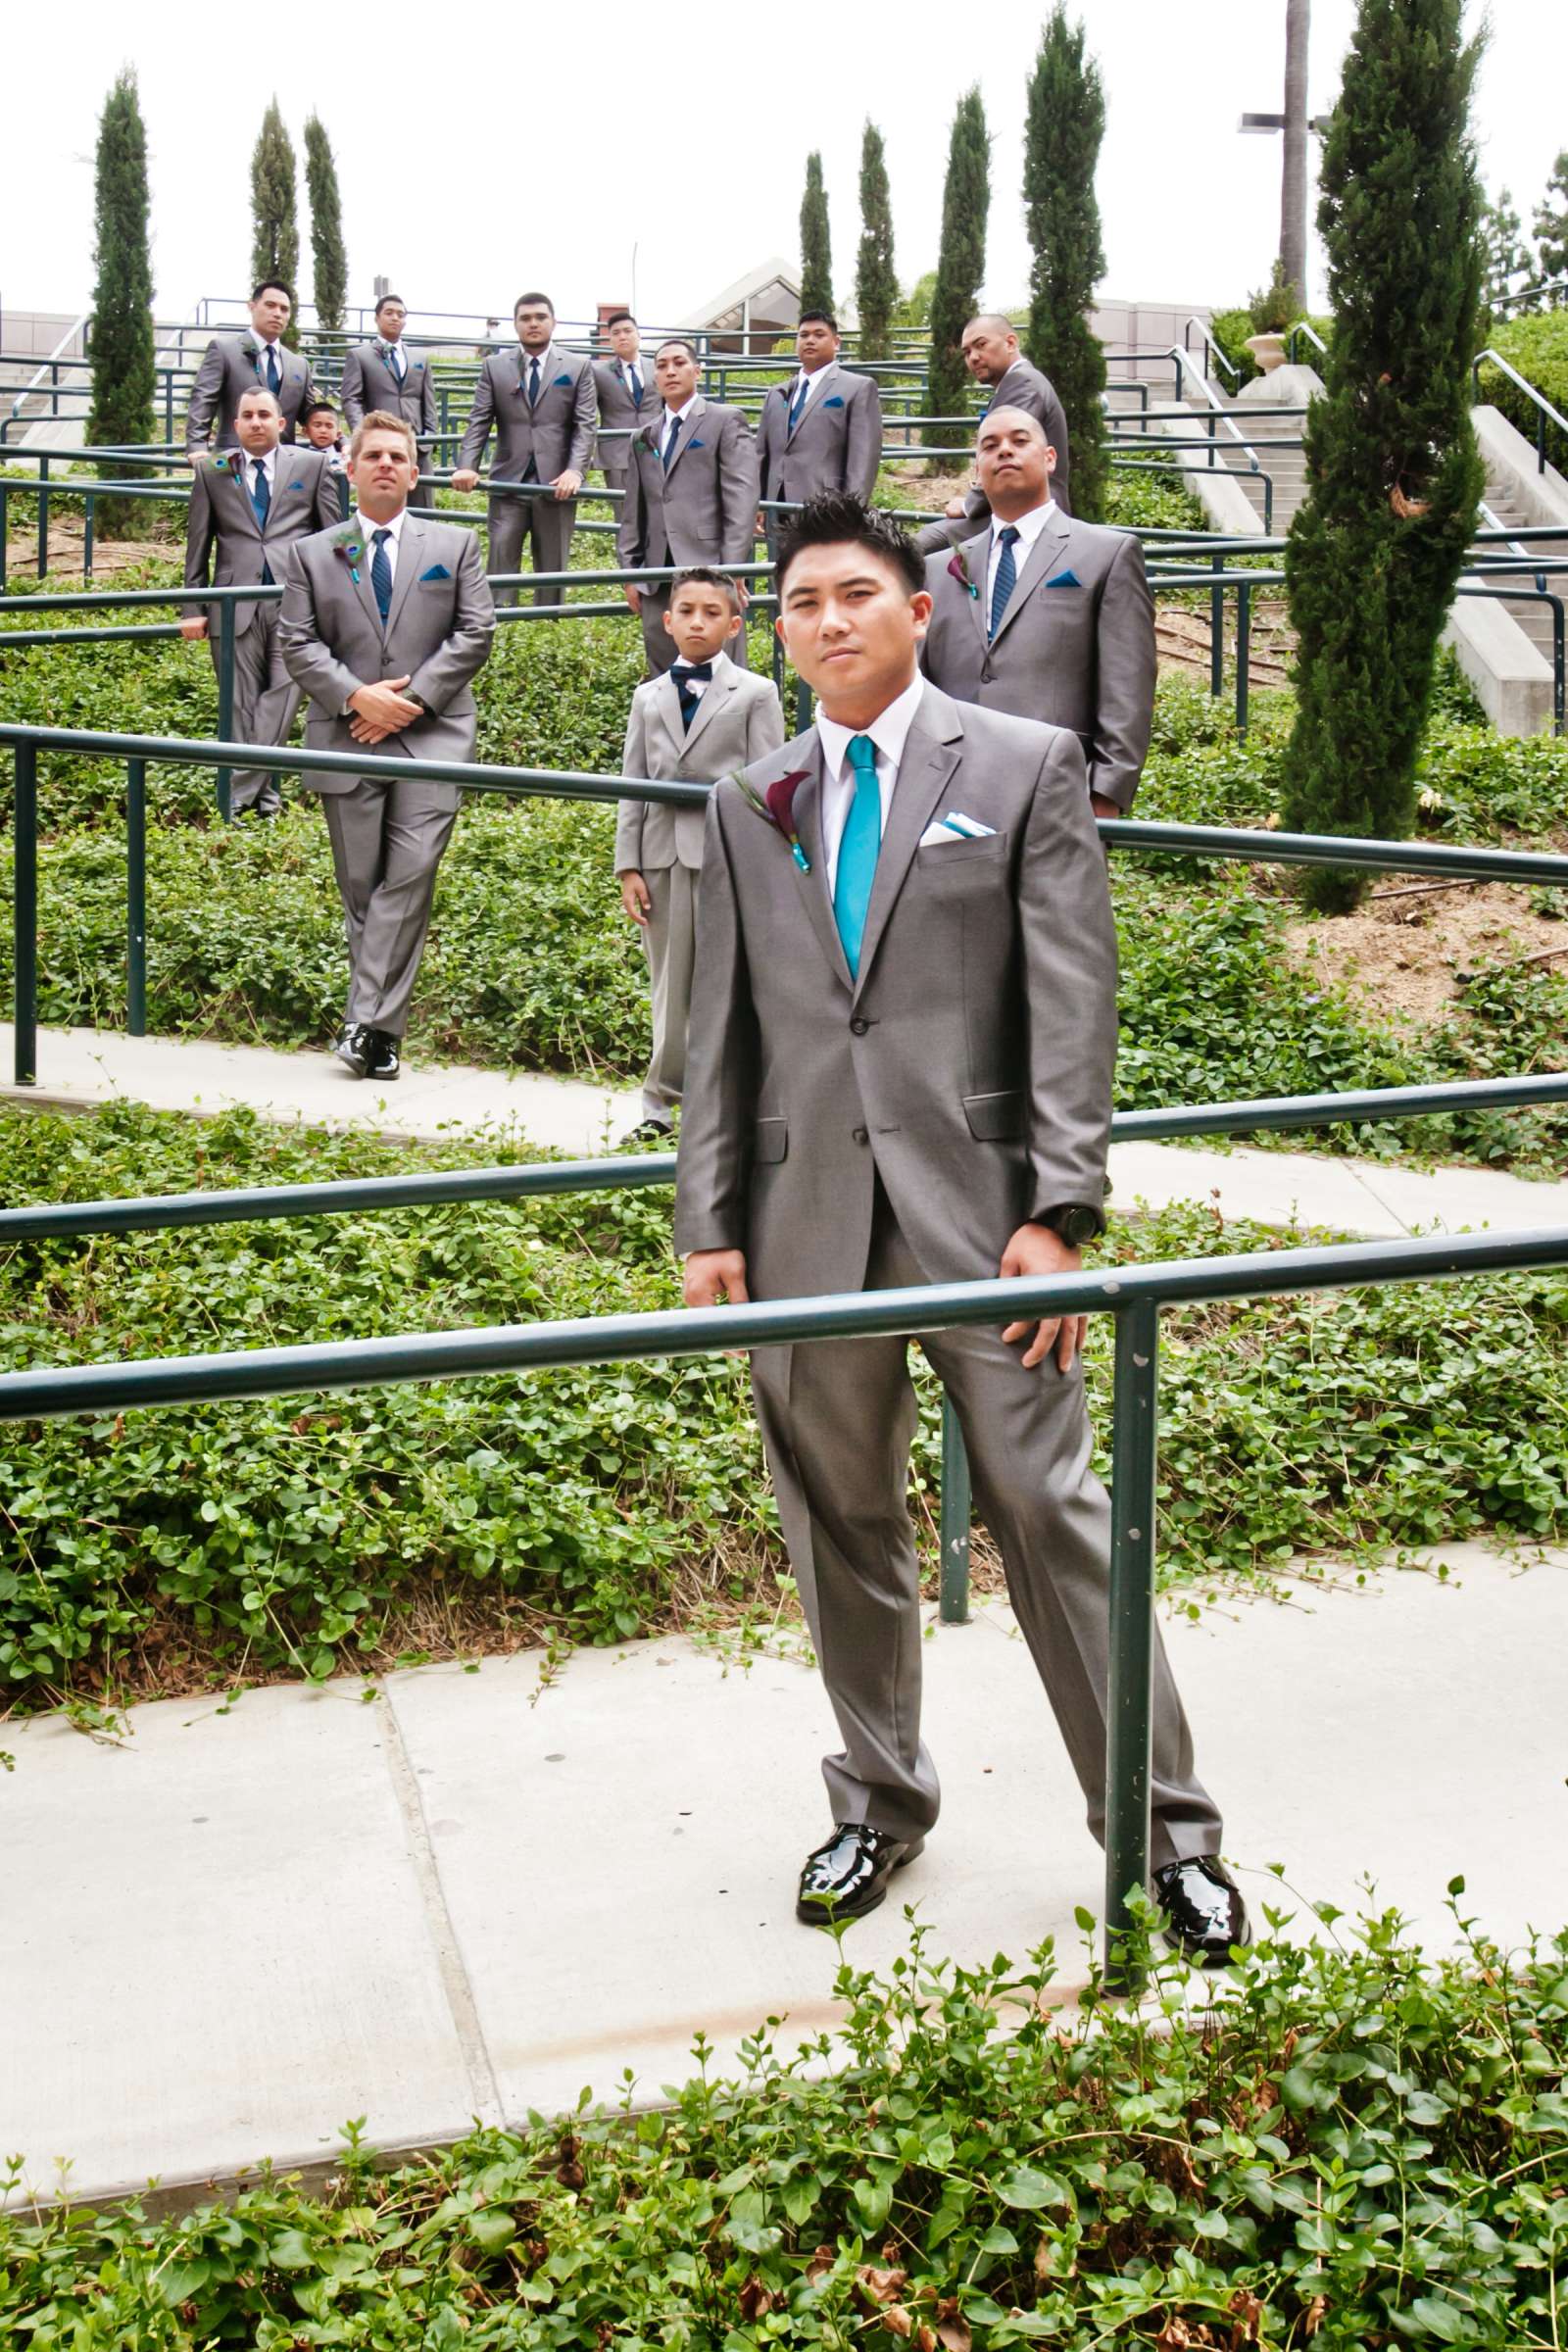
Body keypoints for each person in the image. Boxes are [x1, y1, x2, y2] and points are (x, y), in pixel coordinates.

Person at [672, 492, 1247, 1967]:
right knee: (840, 1528)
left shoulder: (1021, 763)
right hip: (804, 1232)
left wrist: (1062, 1210)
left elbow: (1072, 1001)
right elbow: (717, 1028)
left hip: (993, 1233)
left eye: (856, 594)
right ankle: (879, 1800)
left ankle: (1162, 1839)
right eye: (801, 602)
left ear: (916, 611)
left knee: (1055, 1523)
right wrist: (708, 1223)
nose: (828, 621)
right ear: (781, 629)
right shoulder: (748, 800)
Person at [277, 411, 495, 1082]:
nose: (385, 466)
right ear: (350, 467)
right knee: (362, 888)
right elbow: (297, 642)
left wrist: (408, 702)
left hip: (433, 736)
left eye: (398, 457)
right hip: (346, 738)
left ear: (414, 470)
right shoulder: (313, 553)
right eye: (372, 455)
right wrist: (357, 697)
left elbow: (475, 632)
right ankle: (381, 1037)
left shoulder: (455, 545)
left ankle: (362, 1020)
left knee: (410, 874)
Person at [614, 568, 786, 1146]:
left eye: (712, 613)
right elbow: (634, 783)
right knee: (668, 981)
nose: (697, 621)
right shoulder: (647, 697)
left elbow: (768, 785)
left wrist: (762, 865)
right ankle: (658, 1102)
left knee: (727, 981)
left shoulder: (757, 694)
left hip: (727, 858)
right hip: (661, 858)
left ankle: (725, 1101)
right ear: (667, 621)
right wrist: (628, 865)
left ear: (734, 625)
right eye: (686, 610)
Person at [919, 409, 1154, 815]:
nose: (1004, 451)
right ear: (977, 471)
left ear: (1049, 457)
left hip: (1058, 793)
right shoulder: (940, 569)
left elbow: (1128, 684)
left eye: (1019, 441)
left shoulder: (1107, 554)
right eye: (990, 446)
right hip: (948, 796)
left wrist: (1104, 797)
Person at [180, 385, 341, 815]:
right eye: (247, 415)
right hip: (233, 602)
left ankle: (235, 792)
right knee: (239, 704)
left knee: (284, 695)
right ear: (234, 425)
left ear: (282, 424)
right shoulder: (212, 469)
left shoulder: (312, 463)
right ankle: (266, 800)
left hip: (297, 603)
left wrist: (346, 596)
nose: (255, 422)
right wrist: (192, 608)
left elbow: (336, 536)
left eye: (264, 415)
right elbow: (198, 544)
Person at [616, 338, 760, 674]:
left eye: (679, 363)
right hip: (656, 575)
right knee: (663, 672)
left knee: (722, 670)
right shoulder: (642, 436)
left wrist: (732, 569)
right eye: (662, 365)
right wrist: (630, 573)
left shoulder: (725, 420)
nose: (670, 371)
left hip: (709, 566)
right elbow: (632, 508)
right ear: (655, 377)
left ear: (697, 370)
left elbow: (741, 497)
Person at [451, 291, 596, 606]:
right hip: (508, 483)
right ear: (515, 325)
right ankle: (502, 629)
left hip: (557, 484)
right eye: (525, 318)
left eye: (540, 317)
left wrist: (575, 470)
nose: (533, 324)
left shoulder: (578, 366)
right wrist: (467, 465)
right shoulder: (494, 366)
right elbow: (479, 420)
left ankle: (549, 622)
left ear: (553, 322)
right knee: (501, 565)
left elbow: (586, 425)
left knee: (553, 570)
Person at [913, 313, 1072, 555]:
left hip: (1030, 512)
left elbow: (1005, 454)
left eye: (981, 345)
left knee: (919, 548)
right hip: (1012, 508)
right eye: (967, 352)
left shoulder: (1023, 383)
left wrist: (969, 505)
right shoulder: (1013, 385)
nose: (974, 357)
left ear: (1010, 342)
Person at [757, 310, 883, 525]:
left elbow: (863, 459)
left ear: (836, 342)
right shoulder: (776, 394)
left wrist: (851, 512)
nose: (810, 340)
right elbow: (761, 453)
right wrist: (757, 502)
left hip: (828, 511)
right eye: (803, 335)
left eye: (819, 334)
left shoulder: (857, 388)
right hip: (777, 508)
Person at [184, 281, 318, 460]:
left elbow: (312, 417)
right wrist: (196, 446)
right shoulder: (224, 350)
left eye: (284, 309)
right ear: (252, 307)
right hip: (233, 460)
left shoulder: (299, 365)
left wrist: (343, 443)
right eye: (270, 305)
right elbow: (203, 400)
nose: (277, 313)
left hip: (284, 466)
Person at [339, 294, 439, 490]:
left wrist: (429, 439)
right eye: (389, 313)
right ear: (377, 318)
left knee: (422, 509)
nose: (395, 318)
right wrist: (364, 435)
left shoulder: (419, 358)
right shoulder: (360, 356)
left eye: (400, 314)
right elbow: (351, 399)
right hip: (379, 447)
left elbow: (429, 401)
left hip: (417, 447)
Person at [592, 311, 652, 496]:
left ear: (638, 335)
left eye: (628, 331)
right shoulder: (598, 372)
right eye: (616, 333)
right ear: (610, 339)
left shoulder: (658, 366)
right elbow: (586, 413)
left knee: (659, 514)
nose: (622, 336)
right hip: (617, 454)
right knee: (623, 514)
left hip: (655, 449)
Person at [302, 401, 353, 519]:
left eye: (329, 426)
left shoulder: (344, 460)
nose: (323, 431)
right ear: (305, 431)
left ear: (338, 434)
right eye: (317, 425)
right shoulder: (299, 459)